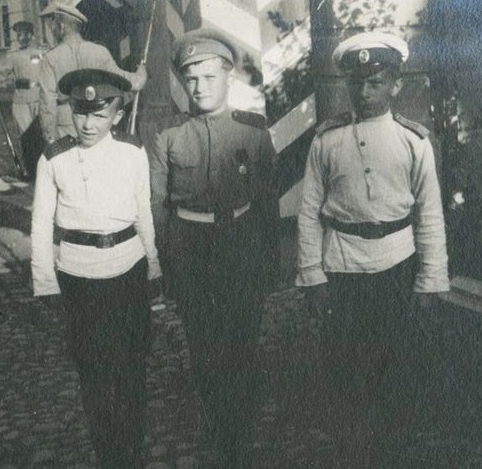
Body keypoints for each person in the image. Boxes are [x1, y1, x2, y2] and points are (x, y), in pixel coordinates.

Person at [296, 32, 450, 467]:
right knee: (346, 375)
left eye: (376, 82)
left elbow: (430, 215)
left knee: (395, 372)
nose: (365, 92)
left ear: (395, 84)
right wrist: (312, 275)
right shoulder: (326, 141)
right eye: (357, 83)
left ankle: (391, 452)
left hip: (397, 269)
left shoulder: (413, 141)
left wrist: (430, 280)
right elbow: (309, 213)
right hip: (342, 269)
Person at [148, 28, 279, 468]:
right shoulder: (169, 136)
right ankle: (220, 426)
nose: (200, 87)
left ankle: (239, 429)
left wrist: (268, 265)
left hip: (240, 248)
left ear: (228, 77)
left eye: (209, 77)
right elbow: (159, 209)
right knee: (204, 350)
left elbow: (265, 203)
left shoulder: (253, 131)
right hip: (191, 252)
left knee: (242, 345)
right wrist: (169, 269)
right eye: (192, 80)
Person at [31, 68, 161, 469]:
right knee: (93, 370)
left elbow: (143, 209)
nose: (88, 124)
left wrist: (153, 262)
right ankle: (109, 452)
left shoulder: (132, 151)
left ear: (117, 116)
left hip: (127, 268)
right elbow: (40, 224)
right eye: (80, 112)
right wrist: (45, 283)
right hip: (78, 275)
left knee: (130, 365)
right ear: (71, 109)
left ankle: (132, 449)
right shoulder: (54, 158)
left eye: (99, 115)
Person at [38, 0, 147, 143]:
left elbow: (47, 106)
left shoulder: (50, 59)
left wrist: (51, 140)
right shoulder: (99, 52)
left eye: (53, 25)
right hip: (97, 123)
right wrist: (141, 70)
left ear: (62, 26)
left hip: (64, 126)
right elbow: (133, 83)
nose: (52, 29)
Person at [0, 21, 43, 133]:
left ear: (30, 35)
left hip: (33, 100)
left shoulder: (39, 54)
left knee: (34, 135)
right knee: (32, 135)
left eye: (21, 34)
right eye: (18, 35)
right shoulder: (16, 55)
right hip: (27, 101)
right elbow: (1, 75)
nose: (19, 38)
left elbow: (1, 76)